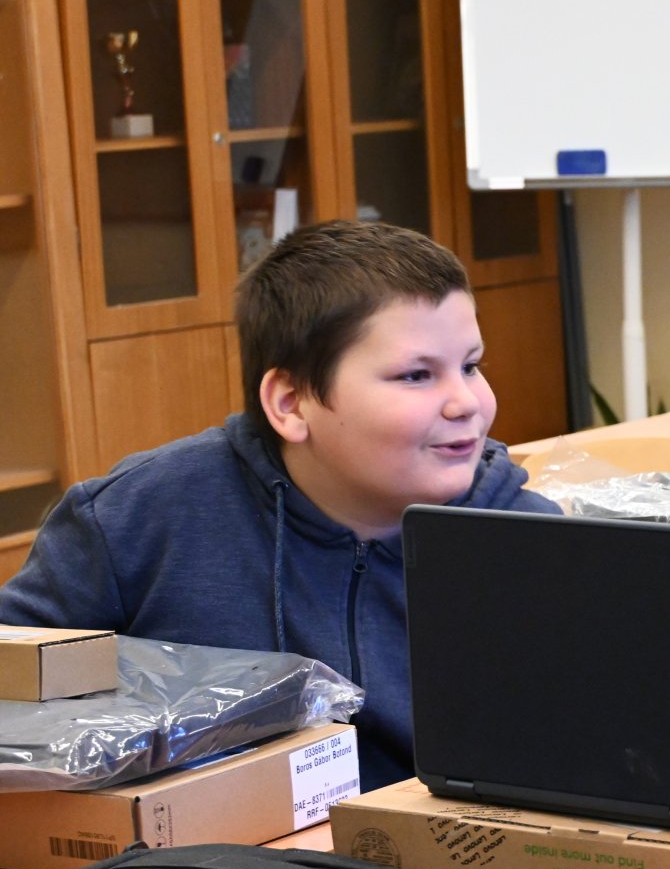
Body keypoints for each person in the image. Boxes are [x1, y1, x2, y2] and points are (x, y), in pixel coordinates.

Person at [0, 221, 558, 791]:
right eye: (416, 375)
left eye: (470, 366)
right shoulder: (134, 518)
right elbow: (12, 683)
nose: (466, 402)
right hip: (207, 837)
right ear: (291, 403)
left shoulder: (532, 543)